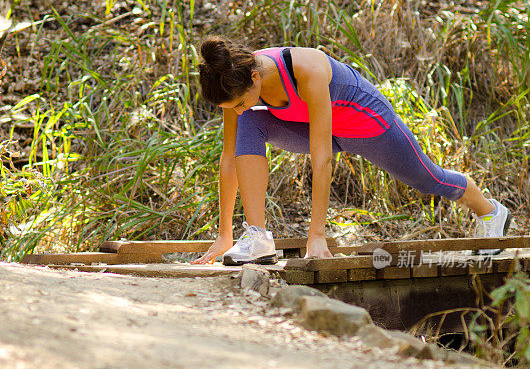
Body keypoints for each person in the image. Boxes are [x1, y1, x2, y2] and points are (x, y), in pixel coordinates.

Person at [191, 36, 512, 266]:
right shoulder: (231, 81)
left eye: (242, 102)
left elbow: (321, 159)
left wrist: (316, 235)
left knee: (429, 179)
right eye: (232, 107)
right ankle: (257, 237)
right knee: (249, 123)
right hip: (321, 131)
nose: (239, 109)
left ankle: (490, 211)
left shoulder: (306, 69)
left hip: (367, 125)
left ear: (255, 77)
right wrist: (224, 235)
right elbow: (228, 158)